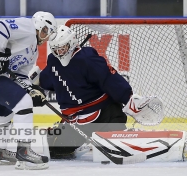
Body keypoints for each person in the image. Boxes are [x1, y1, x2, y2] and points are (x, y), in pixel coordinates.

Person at [37, 25, 164, 159]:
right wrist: (37, 82)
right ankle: (87, 141)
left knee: (117, 146)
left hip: (104, 113)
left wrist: (128, 99)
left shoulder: (87, 59)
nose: (59, 53)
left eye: (62, 48)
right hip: (76, 120)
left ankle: (130, 135)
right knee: (56, 149)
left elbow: (109, 79)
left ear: (71, 43)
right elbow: (50, 79)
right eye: (56, 50)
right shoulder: (53, 60)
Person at [0, 11, 57, 170]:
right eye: (45, 30)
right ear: (39, 24)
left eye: (48, 33)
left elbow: (20, 75)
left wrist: (32, 89)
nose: (46, 36)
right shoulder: (28, 27)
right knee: (24, 104)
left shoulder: (34, 52)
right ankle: (24, 151)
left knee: (4, 113)